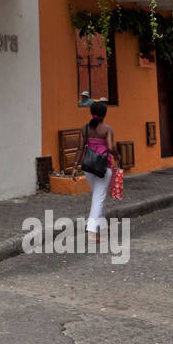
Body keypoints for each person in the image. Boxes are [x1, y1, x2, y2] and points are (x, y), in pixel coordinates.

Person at [72, 101, 120, 242]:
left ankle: (103, 227)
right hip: (103, 168)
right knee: (99, 198)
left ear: (91, 113)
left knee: (97, 197)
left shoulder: (84, 129)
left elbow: (80, 149)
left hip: (88, 168)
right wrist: (117, 156)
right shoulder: (107, 129)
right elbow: (111, 147)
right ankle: (92, 232)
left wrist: (74, 167)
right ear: (104, 114)